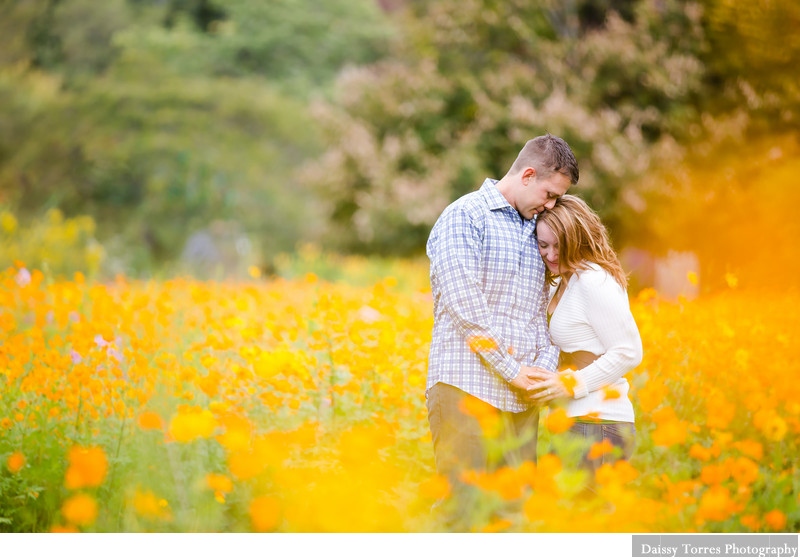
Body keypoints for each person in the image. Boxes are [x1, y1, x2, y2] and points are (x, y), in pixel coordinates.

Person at [425, 134, 579, 523]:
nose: (551, 205)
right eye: (549, 194)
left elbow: (544, 315)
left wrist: (542, 373)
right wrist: (515, 372)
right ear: (527, 174)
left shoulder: (539, 232)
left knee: (512, 520)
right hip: (467, 391)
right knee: (465, 512)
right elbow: (466, 308)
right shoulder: (465, 216)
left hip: (521, 401)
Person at [528, 194, 643, 475]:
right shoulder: (565, 282)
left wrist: (570, 384)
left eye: (560, 246)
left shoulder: (593, 280)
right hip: (574, 421)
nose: (552, 255)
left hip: (599, 424)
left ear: (579, 241)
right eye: (543, 245)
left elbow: (629, 351)